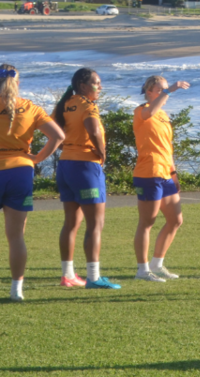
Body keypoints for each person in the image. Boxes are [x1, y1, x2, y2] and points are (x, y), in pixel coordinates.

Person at [0, 63, 64, 301]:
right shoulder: (30, 107)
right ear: (18, 83)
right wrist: (37, 158)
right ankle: (16, 290)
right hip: (20, 171)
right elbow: (58, 136)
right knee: (16, 237)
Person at [53, 67, 121, 290]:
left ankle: (67, 275)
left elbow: (53, 130)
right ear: (83, 86)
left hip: (65, 165)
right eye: (96, 83)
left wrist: (66, 146)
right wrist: (102, 152)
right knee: (95, 224)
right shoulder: (88, 105)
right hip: (85, 167)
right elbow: (94, 129)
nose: (100, 87)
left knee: (71, 223)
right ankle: (93, 277)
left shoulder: (64, 104)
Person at [131, 75, 190, 282]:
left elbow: (167, 146)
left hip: (165, 172)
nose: (165, 93)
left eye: (165, 89)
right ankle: (142, 270)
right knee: (147, 222)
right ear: (149, 92)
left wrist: (173, 173)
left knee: (175, 220)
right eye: (160, 89)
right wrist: (170, 90)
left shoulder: (163, 115)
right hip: (149, 172)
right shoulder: (142, 110)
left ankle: (157, 264)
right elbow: (149, 113)